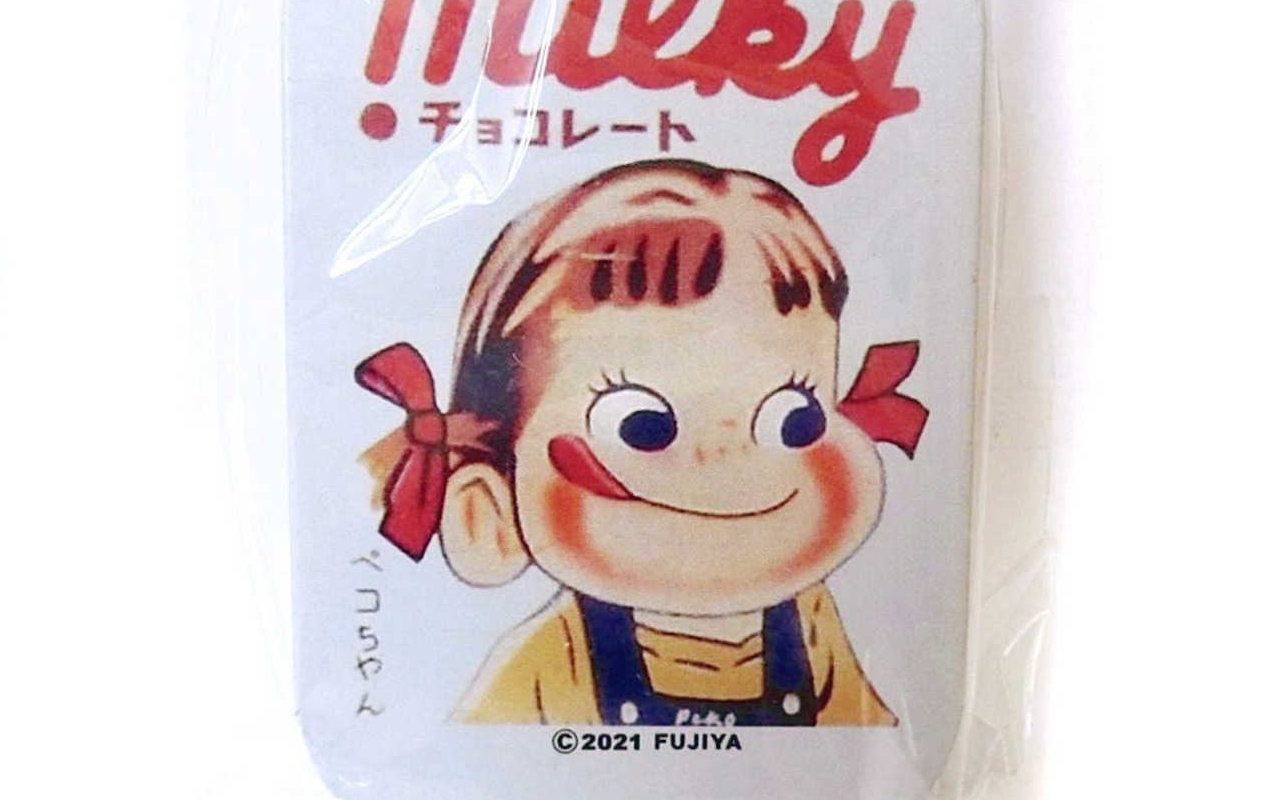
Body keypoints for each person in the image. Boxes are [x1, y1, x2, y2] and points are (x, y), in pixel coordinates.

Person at [356, 159, 927, 726]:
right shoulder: (557, 655)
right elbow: (486, 751)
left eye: (792, 419)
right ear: (488, 512)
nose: (724, 458)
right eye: (641, 425)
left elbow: (866, 732)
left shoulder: (809, 624)